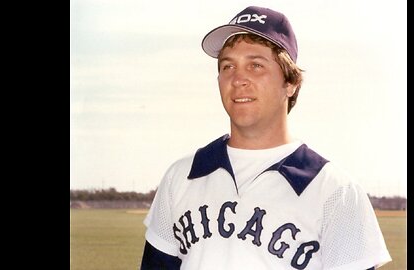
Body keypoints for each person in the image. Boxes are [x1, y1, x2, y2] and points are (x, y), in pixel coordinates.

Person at [140, 6, 392, 270]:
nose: (238, 79)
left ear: (291, 82)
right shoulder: (182, 176)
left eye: (256, 65)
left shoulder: (334, 191)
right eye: (228, 66)